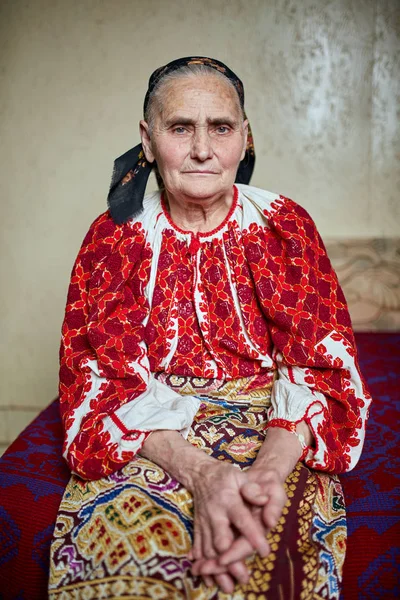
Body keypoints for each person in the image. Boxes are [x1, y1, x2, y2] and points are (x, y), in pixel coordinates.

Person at [49, 57, 371, 599]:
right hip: (148, 429)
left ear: (245, 138)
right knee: (131, 553)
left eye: (220, 127)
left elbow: (323, 364)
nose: (202, 149)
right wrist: (202, 474)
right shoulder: (114, 238)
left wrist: (268, 470)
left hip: (274, 424)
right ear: (148, 141)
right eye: (180, 128)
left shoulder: (285, 226)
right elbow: (98, 382)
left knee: (271, 560)